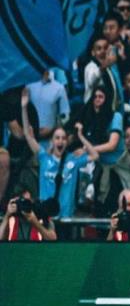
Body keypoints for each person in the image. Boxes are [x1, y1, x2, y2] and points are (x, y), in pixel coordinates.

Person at [21, 89, 99, 219]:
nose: (60, 141)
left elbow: (95, 155)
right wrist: (24, 107)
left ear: (67, 142)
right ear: (52, 141)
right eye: (57, 138)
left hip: (65, 217)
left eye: (63, 138)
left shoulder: (73, 160)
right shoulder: (44, 157)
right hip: (45, 216)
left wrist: (81, 136)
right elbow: (28, 135)